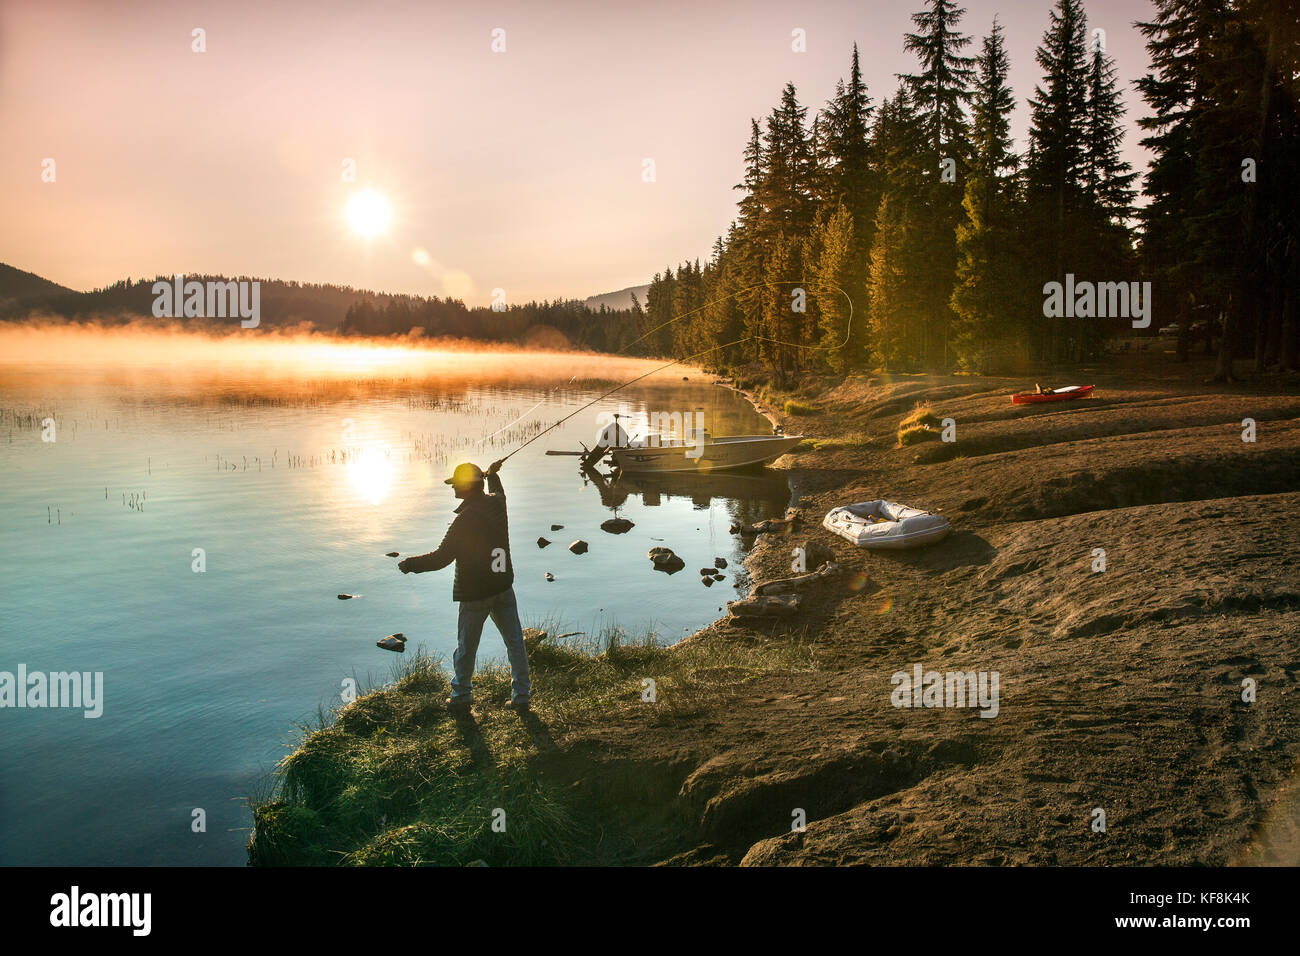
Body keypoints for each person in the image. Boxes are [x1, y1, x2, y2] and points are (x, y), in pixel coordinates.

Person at [398, 458, 530, 713]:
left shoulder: (465, 520)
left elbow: (441, 558)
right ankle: (521, 696)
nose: (452, 489)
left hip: (475, 592)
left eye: (456, 484)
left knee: (467, 647)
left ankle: (461, 695)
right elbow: (499, 492)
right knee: (515, 642)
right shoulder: (497, 505)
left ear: (468, 487)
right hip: (502, 585)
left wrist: (410, 564)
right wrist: (492, 474)